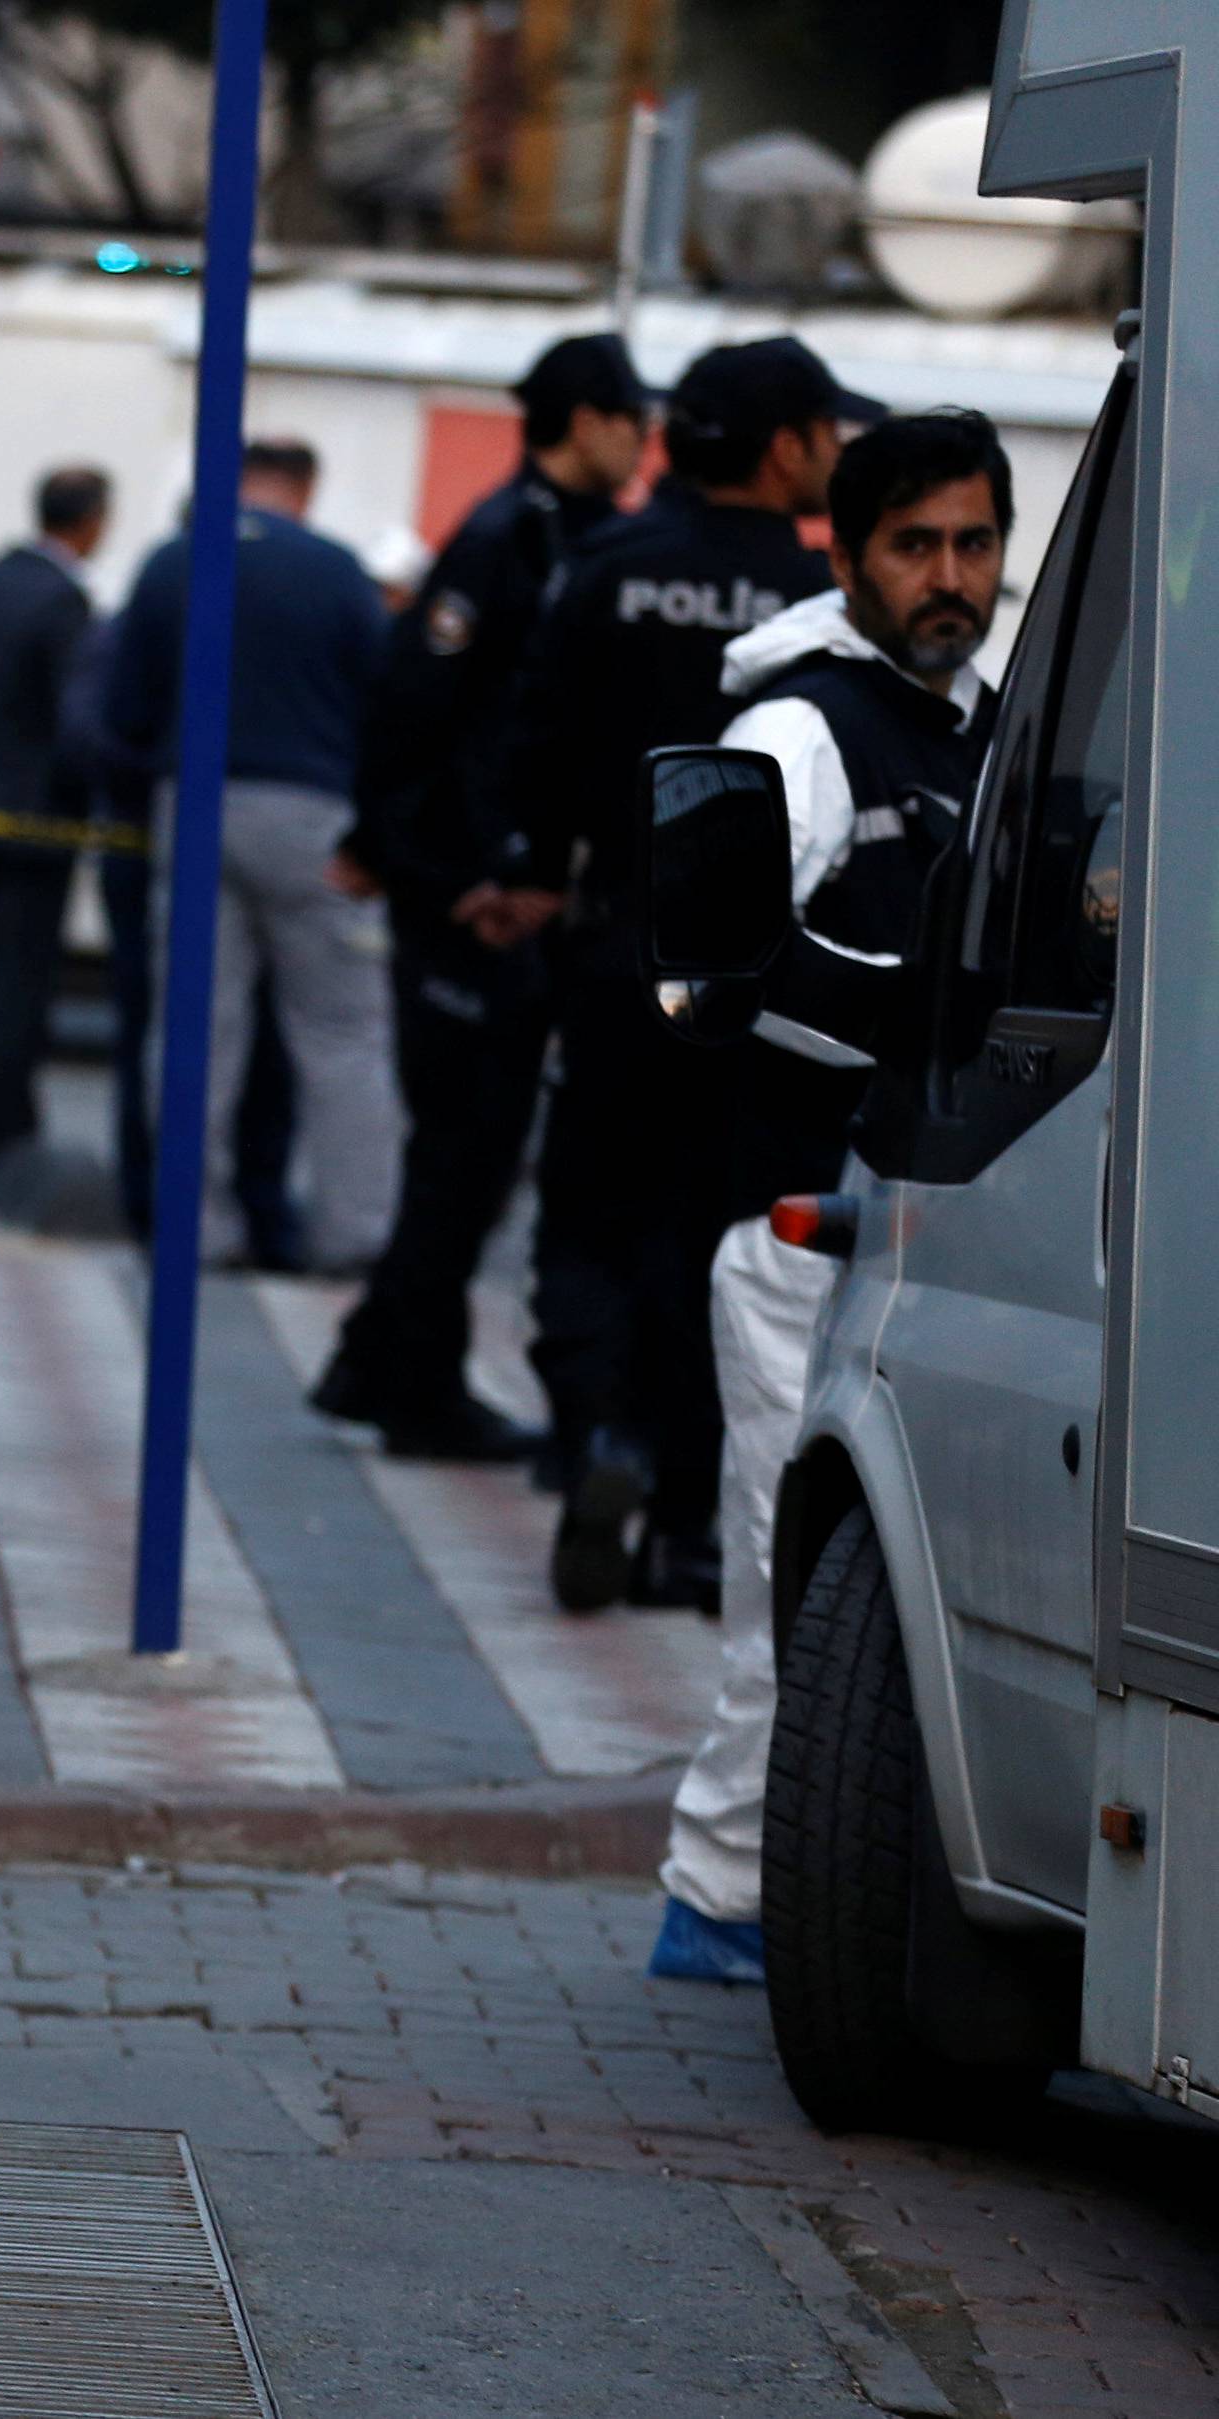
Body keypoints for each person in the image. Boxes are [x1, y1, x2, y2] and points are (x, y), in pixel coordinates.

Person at [651, 409, 1011, 1982]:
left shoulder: (998, 726)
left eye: (976, 543)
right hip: (801, 1232)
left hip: (954, 1241)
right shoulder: (801, 730)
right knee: (785, 1585)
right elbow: (716, 967)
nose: (951, 577)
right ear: (846, 552)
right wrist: (921, 1006)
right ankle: (718, 1895)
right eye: (916, 545)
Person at [507, 335, 883, 1613]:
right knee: (702, 1233)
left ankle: (593, 1431)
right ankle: (681, 1519)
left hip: (611, 944)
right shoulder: (812, 603)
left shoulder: (606, 568)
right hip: (745, 986)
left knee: (584, 1212)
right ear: (788, 448)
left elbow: (536, 748)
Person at [311, 333, 649, 1459]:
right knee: (465, 1149)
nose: (643, 438)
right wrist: (432, 868)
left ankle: (375, 1358)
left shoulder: (569, 537)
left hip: (496, 887)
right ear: (587, 421)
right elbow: (421, 707)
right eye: (631, 416)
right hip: (464, 902)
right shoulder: (506, 540)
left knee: (467, 1149)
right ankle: (416, 1391)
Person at [105, 438, 396, 1272]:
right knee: (342, 1035)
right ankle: (353, 1233)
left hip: (193, 806)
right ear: (306, 488)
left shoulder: (170, 564)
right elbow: (385, 705)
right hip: (313, 817)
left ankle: (196, 1230)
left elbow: (127, 710)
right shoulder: (340, 572)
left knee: (197, 1032)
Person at [0, 465, 112, 1192]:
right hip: (34, 818)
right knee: (19, 988)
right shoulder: (65, 601)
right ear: (91, 521)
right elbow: (71, 720)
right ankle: (7, 1149)